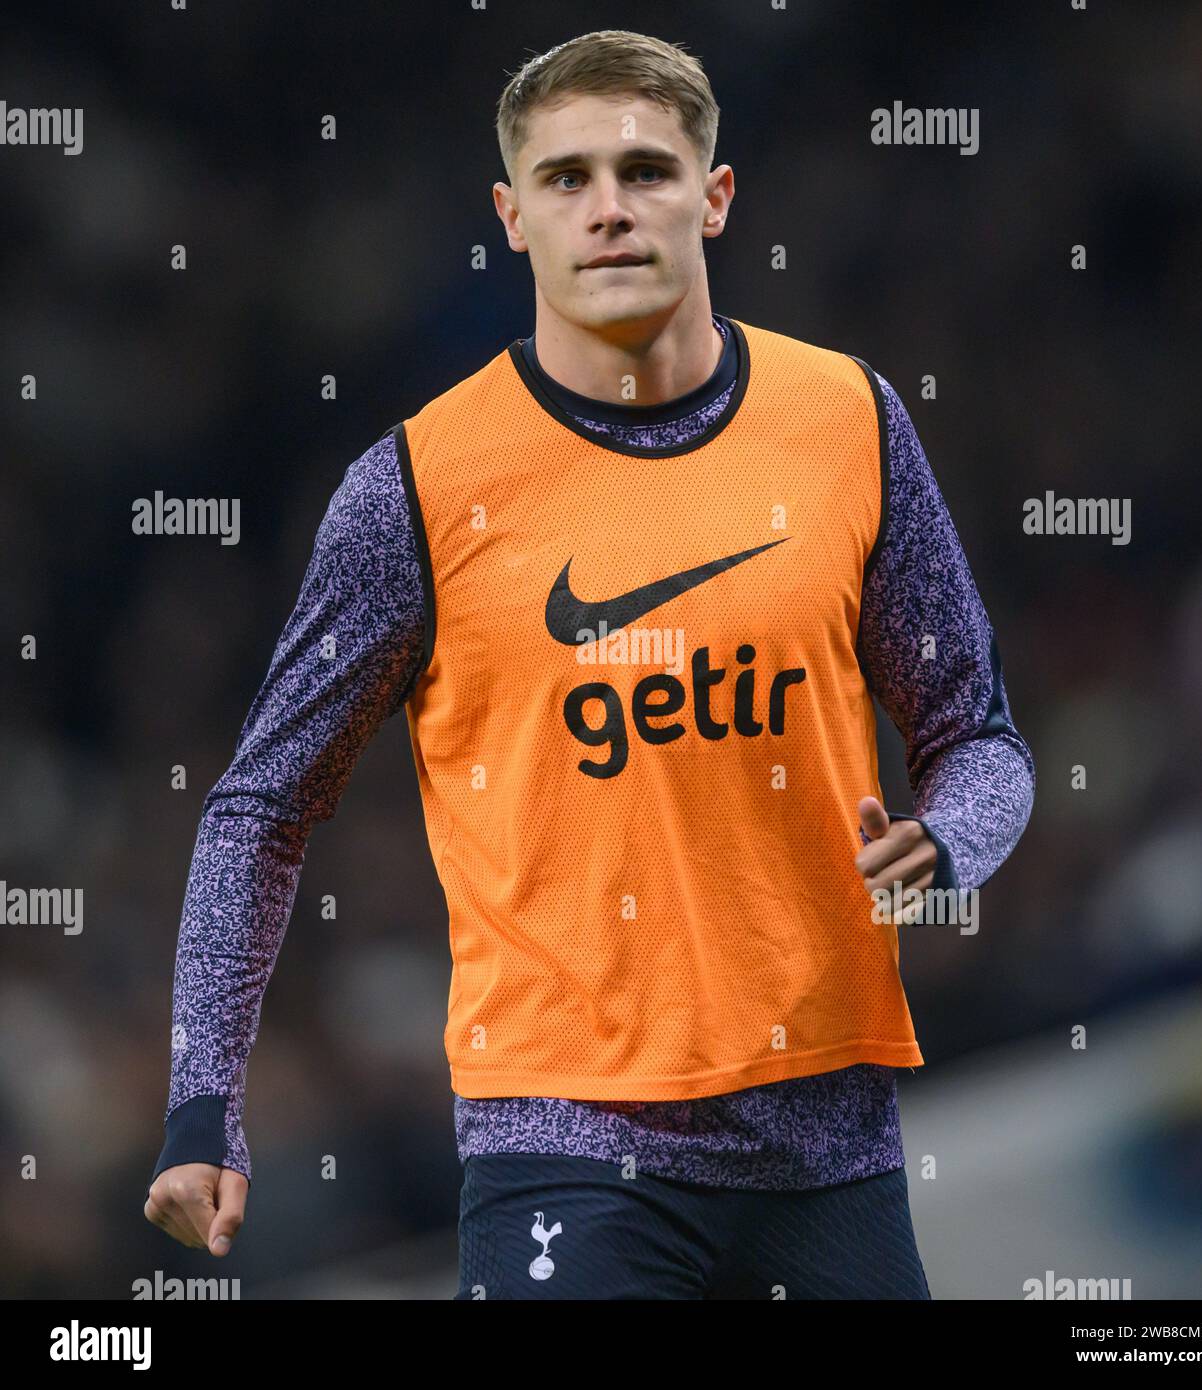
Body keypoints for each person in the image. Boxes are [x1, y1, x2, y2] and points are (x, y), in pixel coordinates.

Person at [145, 29, 1035, 1299]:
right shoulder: (415, 487)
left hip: (831, 1143)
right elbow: (258, 806)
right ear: (511, 217)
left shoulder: (847, 420)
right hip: (561, 1145)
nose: (607, 209)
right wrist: (202, 1102)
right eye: (565, 180)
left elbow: (980, 737)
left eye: (645, 171)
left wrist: (952, 844)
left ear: (714, 197)